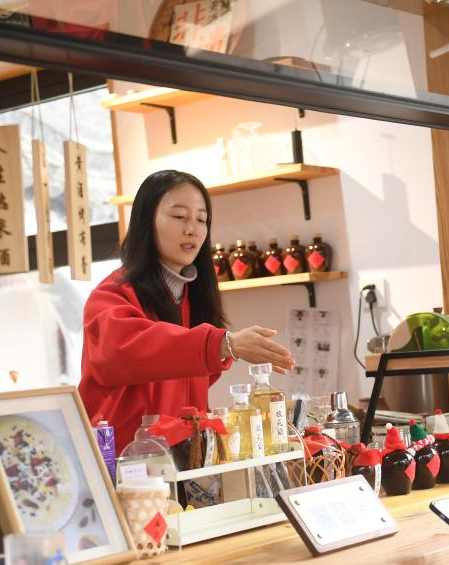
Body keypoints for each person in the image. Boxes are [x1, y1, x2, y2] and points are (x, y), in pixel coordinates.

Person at [79, 170, 294, 453]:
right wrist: (224, 344)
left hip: (185, 461)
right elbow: (126, 349)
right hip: (122, 462)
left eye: (202, 219)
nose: (192, 229)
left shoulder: (193, 298)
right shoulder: (110, 296)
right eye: (179, 216)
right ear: (146, 221)